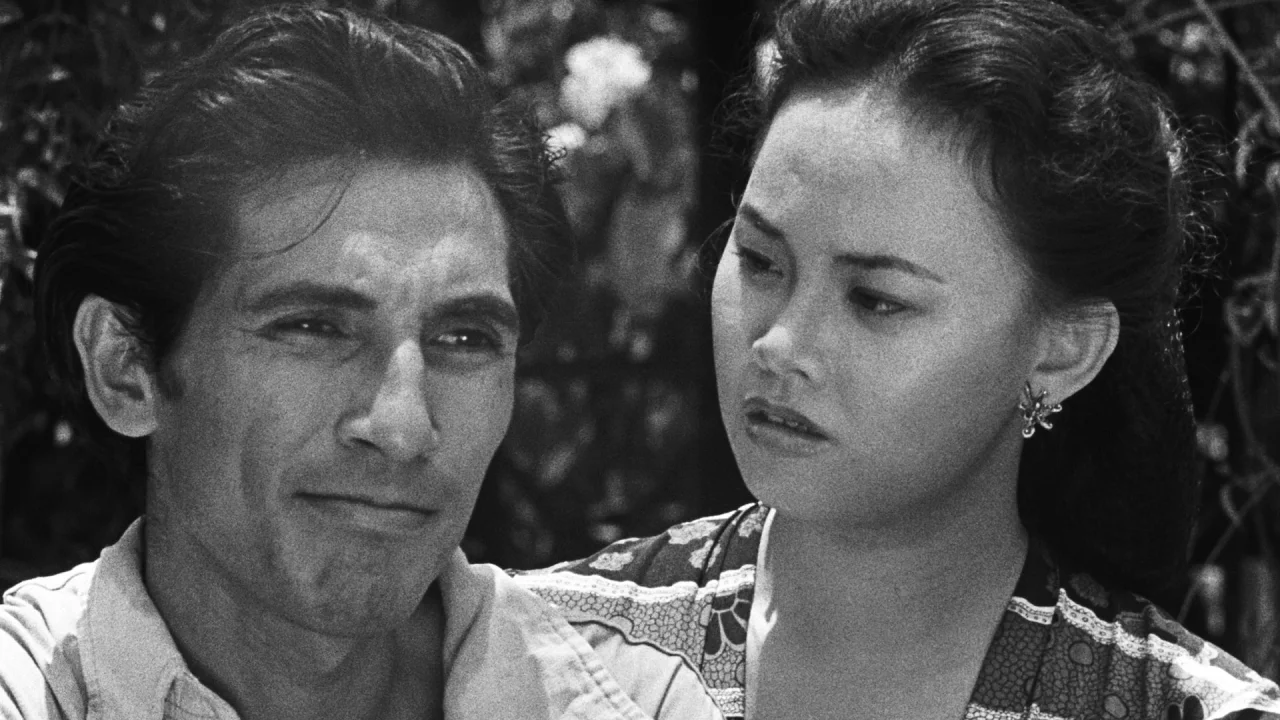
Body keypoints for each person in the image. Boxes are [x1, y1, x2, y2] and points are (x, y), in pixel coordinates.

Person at [515, 1, 1280, 718]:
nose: (779, 344)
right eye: (760, 260)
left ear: (1062, 350)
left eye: (877, 300)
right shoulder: (539, 656)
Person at [0, 6, 723, 720]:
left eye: (465, 338)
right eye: (313, 327)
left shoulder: (639, 697)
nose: (403, 426)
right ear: (126, 367)